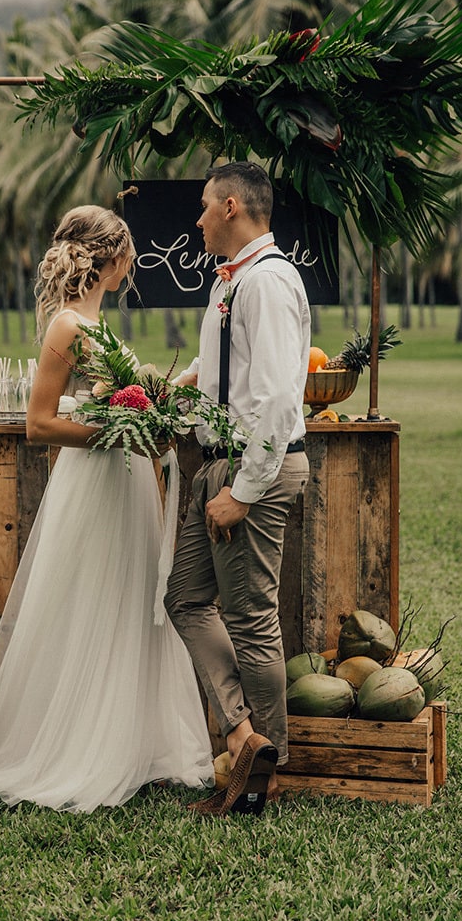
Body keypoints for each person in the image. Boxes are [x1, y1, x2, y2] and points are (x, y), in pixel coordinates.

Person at [0, 205, 214, 812]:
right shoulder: (68, 325)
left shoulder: (95, 323)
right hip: (94, 484)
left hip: (122, 484)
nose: (133, 263)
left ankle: (135, 742)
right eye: (129, 253)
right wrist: (122, 430)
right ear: (111, 257)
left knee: (128, 604)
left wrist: (168, 398)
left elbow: (111, 400)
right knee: (92, 601)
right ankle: (80, 748)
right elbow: (38, 425)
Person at [164, 162, 311, 817]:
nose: (195, 221)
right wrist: (178, 383)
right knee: (186, 599)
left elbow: (280, 394)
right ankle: (244, 737)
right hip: (219, 462)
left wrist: (246, 490)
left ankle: (266, 774)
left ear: (230, 207)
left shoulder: (269, 282)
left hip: (253, 468)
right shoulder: (235, 282)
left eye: (202, 208)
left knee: (251, 619)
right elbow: (233, 368)